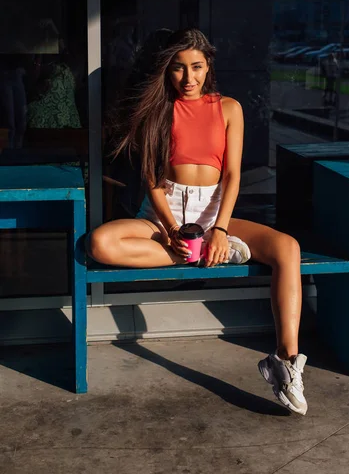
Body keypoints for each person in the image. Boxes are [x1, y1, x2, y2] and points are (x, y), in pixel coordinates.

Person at [87, 28, 307, 415]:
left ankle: (286, 362)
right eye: (178, 69)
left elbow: (233, 176)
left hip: (213, 211)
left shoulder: (229, 108)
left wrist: (220, 229)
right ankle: (192, 254)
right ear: (166, 71)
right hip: (163, 213)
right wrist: (173, 232)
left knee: (287, 247)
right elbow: (152, 179)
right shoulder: (157, 111)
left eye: (197, 67)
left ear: (209, 67)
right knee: (100, 244)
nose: (188, 78)